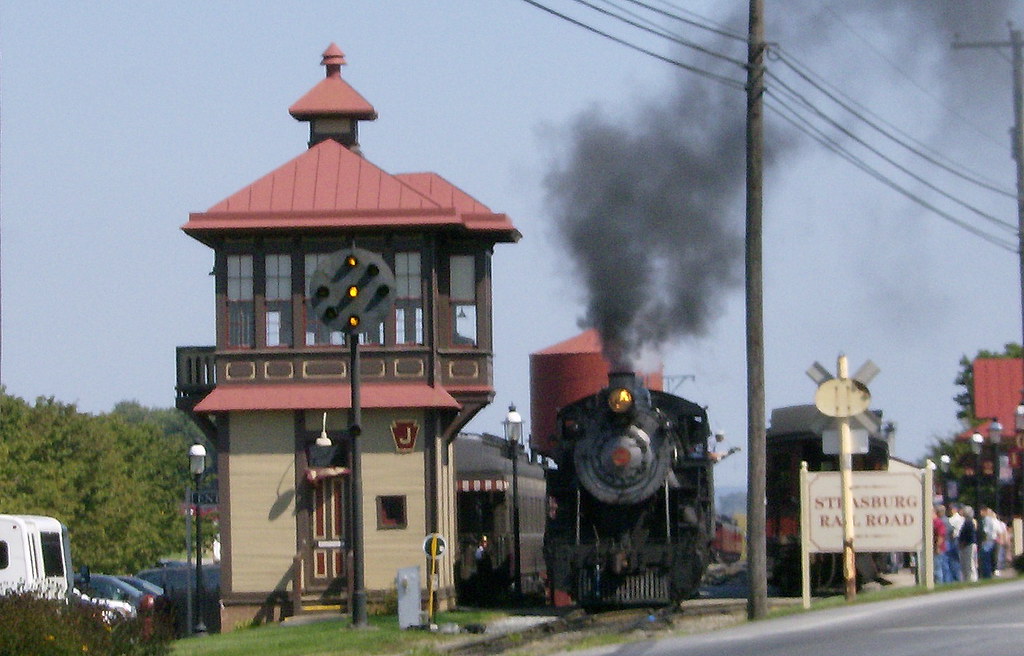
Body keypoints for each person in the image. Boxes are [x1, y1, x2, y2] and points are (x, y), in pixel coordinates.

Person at [958, 505, 978, 582]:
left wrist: (963, 543)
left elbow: (969, 535)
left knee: (970, 563)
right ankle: (967, 578)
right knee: (967, 563)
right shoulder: (967, 522)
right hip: (967, 545)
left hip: (968, 545)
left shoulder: (969, 522)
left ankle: (972, 579)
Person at [979, 506, 997, 579]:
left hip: (987, 542)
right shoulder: (989, 519)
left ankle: (987, 575)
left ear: (984, 511)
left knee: (985, 559)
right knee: (988, 559)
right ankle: (988, 574)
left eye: (981, 511)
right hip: (990, 541)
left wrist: (983, 541)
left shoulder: (986, 519)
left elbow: (985, 531)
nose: (980, 513)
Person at [946, 505, 963, 582]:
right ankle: (958, 576)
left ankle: (955, 577)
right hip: (960, 539)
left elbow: (950, 530)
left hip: (954, 539)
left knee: (952, 559)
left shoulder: (952, 520)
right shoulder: (961, 519)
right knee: (957, 559)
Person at [932, 504, 949, 583]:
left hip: (938, 549)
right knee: (938, 568)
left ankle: (940, 583)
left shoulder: (938, 522)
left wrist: (938, 547)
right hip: (935, 548)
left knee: (938, 569)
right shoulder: (934, 522)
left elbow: (941, 535)